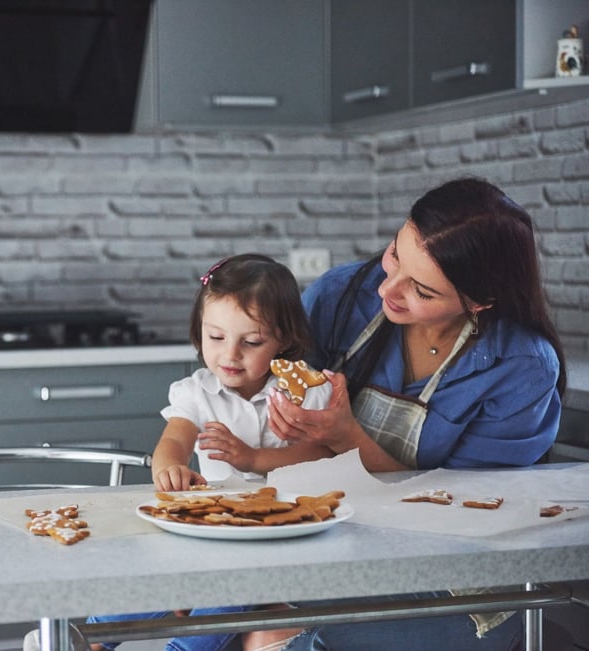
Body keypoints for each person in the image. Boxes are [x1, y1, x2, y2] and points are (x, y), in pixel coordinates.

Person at [265, 177, 567, 651]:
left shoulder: (521, 366)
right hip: (336, 544)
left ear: (480, 301)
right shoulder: (342, 295)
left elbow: (468, 514)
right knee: (237, 610)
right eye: (394, 255)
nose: (387, 287)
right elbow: (254, 376)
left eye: (421, 290)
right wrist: (273, 410)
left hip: (457, 578)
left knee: (300, 635)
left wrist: (346, 437)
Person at [82, 254, 334, 651]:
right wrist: (169, 469)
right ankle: (93, 638)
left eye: (251, 342)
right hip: (210, 530)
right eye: (215, 337)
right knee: (158, 575)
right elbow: (173, 441)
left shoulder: (306, 391)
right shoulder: (198, 391)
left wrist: (252, 460)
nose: (229, 355)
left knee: (235, 587)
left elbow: (322, 454)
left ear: (283, 339)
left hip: (282, 536)